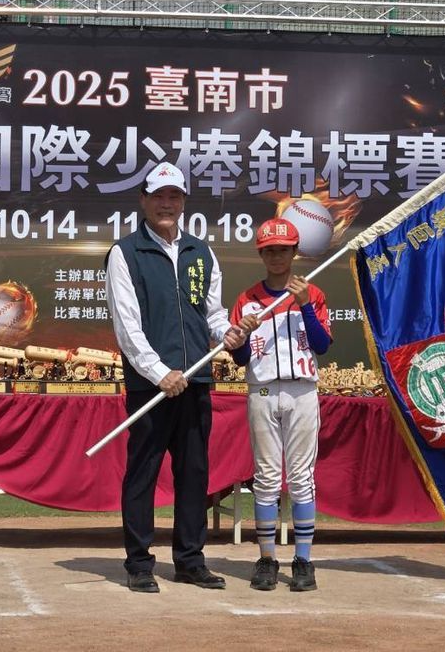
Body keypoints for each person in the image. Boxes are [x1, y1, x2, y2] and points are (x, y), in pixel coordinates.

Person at [104, 161, 247, 593]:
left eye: (174, 196)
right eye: (158, 196)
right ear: (143, 200)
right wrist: (159, 372)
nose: (166, 204)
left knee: (194, 474)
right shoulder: (125, 253)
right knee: (143, 474)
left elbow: (212, 314)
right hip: (151, 387)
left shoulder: (201, 252)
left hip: (196, 382)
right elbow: (127, 327)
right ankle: (139, 563)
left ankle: (190, 560)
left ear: (183, 201)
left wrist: (229, 333)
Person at [229, 217, 332, 593]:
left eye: (283, 250)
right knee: (267, 478)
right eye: (269, 250)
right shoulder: (247, 299)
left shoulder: (311, 292)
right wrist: (242, 335)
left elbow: (322, 344)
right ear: (261, 254)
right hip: (263, 390)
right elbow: (239, 357)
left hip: (302, 391)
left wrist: (305, 305)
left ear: (294, 252)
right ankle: (267, 558)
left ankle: (303, 559)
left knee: (302, 478)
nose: (276, 256)